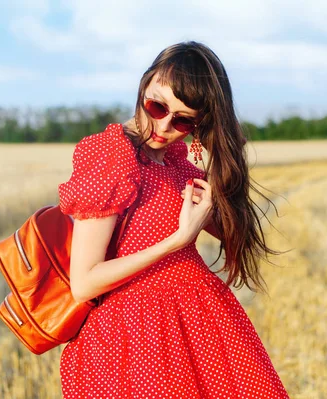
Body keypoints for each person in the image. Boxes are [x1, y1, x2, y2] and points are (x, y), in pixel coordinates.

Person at [57, 41, 289, 398]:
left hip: (203, 333)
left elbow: (235, 236)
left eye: (184, 120)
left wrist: (224, 155)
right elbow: (84, 283)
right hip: (137, 343)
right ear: (144, 84)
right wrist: (177, 241)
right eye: (157, 105)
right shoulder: (111, 156)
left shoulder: (177, 162)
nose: (164, 125)